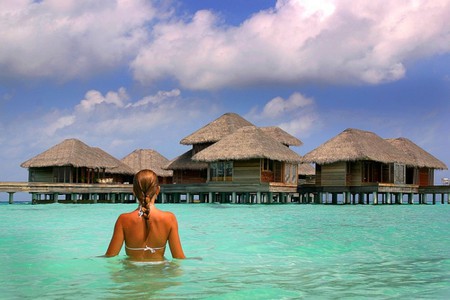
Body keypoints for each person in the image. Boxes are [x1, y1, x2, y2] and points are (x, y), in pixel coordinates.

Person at [105, 169, 185, 260]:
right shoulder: (169, 218)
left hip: (131, 272)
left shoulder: (123, 220)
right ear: (158, 190)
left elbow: (110, 257)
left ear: (134, 191)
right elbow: (179, 258)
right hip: (159, 272)